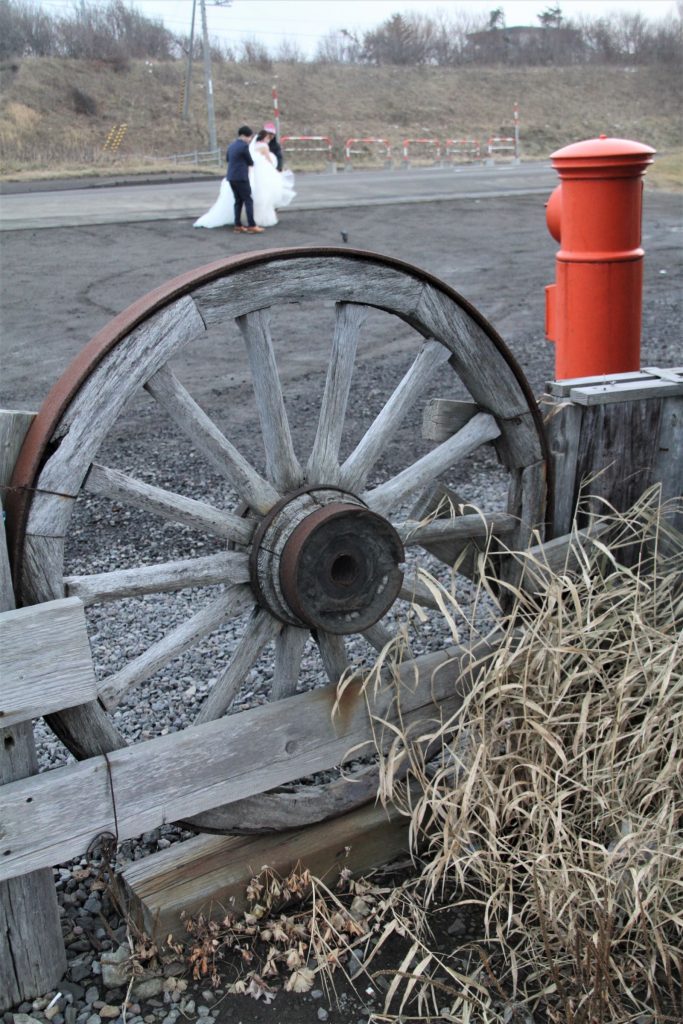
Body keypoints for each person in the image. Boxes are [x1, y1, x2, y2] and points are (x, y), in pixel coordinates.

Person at [202, 125, 263, 234]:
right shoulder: (244, 147)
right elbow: (250, 162)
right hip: (241, 177)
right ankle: (252, 225)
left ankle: (237, 225)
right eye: (249, 137)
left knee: (238, 201)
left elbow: (228, 159)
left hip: (231, 177)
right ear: (244, 136)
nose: (250, 140)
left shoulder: (231, 146)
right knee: (248, 200)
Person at [248, 129, 296, 227]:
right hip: (265, 172)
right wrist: (275, 168)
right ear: (264, 138)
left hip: (256, 172)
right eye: (267, 138)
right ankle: (265, 218)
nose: (269, 140)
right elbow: (269, 159)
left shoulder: (254, 146)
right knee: (267, 195)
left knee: (257, 195)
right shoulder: (264, 146)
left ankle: (254, 217)